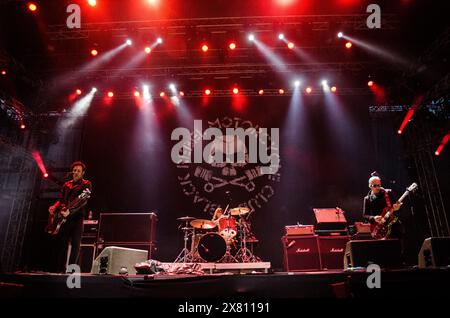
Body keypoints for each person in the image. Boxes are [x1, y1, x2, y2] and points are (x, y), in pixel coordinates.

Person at [48, 161, 92, 273]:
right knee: (63, 244)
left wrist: (70, 211)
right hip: (64, 218)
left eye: (78, 171)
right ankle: (60, 270)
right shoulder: (66, 185)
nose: (76, 172)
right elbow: (61, 199)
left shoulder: (86, 184)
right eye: (75, 170)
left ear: (83, 173)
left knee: (75, 244)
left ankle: (71, 271)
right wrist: (54, 206)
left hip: (77, 217)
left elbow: (83, 200)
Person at [363, 173, 403, 239]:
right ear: (370, 186)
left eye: (379, 185)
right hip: (380, 229)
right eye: (375, 185)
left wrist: (398, 208)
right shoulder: (367, 198)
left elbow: (397, 208)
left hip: (393, 226)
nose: (378, 187)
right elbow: (365, 215)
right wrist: (374, 218)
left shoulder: (388, 193)